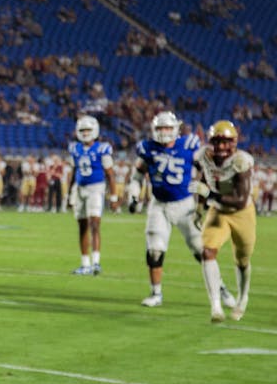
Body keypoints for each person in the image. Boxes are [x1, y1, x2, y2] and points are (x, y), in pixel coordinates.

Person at [127, 111, 237, 309]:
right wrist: (134, 195)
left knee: (201, 251)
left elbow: (207, 167)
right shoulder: (148, 148)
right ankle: (156, 293)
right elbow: (137, 174)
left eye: (168, 128)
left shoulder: (189, 146)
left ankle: (221, 288)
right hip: (158, 204)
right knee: (154, 250)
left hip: (185, 205)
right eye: (160, 128)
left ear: (176, 129)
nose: (164, 132)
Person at [192, 120, 256, 322]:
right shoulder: (203, 156)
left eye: (225, 142)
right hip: (217, 211)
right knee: (207, 251)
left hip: (241, 213)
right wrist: (199, 207)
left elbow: (239, 199)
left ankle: (242, 298)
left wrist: (210, 194)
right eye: (217, 142)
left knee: (243, 259)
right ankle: (216, 307)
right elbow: (205, 178)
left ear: (234, 142)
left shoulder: (241, 161)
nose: (220, 147)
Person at [67, 115, 117, 275]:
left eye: (88, 130)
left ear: (95, 130)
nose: (85, 133)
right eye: (82, 130)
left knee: (95, 224)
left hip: (96, 188)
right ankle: (85, 264)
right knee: (82, 227)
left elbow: (110, 174)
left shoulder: (102, 148)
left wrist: (114, 196)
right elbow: (74, 172)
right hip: (80, 189)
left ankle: (96, 262)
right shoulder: (75, 148)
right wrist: (69, 193)